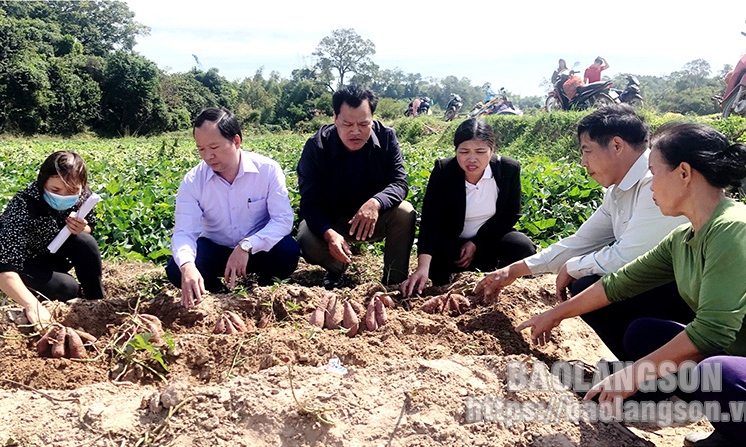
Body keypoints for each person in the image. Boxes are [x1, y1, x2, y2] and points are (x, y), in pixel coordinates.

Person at [514, 122, 746, 447]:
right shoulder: (683, 237)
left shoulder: (732, 229)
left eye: (654, 172)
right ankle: (731, 427)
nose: (650, 186)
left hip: (734, 360)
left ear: (683, 173)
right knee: (644, 334)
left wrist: (633, 374)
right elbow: (619, 284)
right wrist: (555, 314)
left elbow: (713, 331)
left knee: (721, 373)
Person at [476, 104, 689, 359]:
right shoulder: (618, 191)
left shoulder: (654, 183)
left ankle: (651, 369)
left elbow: (629, 258)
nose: (583, 162)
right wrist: (514, 270)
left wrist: (574, 267)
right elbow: (582, 241)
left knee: (586, 282)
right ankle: (638, 365)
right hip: (661, 287)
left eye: (587, 151)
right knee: (586, 279)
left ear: (617, 145)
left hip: (687, 294)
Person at [166, 107, 300, 308]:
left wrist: (247, 245)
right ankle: (216, 293)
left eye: (214, 147)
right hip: (217, 250)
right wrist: (188, 266)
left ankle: (264, 290)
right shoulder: (193, 180)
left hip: (256, 250)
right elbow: (185, 232)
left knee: (287, 251)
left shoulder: (267, 170)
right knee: (177, 269)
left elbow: (282, 220)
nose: (208, 156)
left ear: (236, 141)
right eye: (201, 149)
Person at [297, 85, 416, 289]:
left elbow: (400, 182)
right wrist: (329, 233)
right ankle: (336, 269)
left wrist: (376, 203)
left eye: (363, 124)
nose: (355, 131)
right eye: (347, 124)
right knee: (307, 238)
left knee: (405, 212)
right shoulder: (317, 147)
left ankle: (394, 281)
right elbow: (309, 203)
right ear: (335, 118)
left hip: (374, 219)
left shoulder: (386, 138)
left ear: (372, 118)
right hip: (333, 220)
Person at [400, 118, 536, 296]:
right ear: (456, 150)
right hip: (454, 246)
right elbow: (431, 221)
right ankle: (443, 283)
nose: (472, 159)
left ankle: (512, 289)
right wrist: (422, 267)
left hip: (489, 242)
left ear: (492, 150)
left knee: (521, 246)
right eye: (464, 151)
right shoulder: (444, 170)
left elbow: (510, 214)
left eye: (480, 151)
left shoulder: (508, 169)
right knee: (439, 255)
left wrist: (477, 242)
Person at [0, 151, 104, 325]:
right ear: (43, 182)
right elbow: (4, 265)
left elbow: (89, 227)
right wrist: (31, 305)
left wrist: (81, 228)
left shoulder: (83, 195)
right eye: (55, 190)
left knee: (86, 242)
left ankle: (97, 303)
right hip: (23, 262)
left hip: (53, 253)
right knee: (67, 288)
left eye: (72, 190)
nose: (63, 196)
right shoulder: (23, 205)